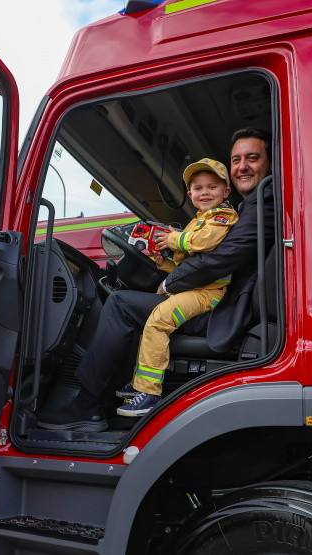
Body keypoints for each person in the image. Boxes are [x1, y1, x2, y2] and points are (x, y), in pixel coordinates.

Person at [37, 127, 275, 431]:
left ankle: (88, 403)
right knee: (124, 304)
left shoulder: (256, 203)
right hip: (216, 298)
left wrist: (171, 278)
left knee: (120, 304)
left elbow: (219, 258)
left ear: (269, 162)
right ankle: (123, 388)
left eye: (253, 158)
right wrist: (164, 265)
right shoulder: (236, 209)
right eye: (237, 159)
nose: (243, 166)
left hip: (219, 305)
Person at [114, 158, 237, 416]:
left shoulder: (222, 217)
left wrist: (172, 238)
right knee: (152, 322)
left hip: (208, 294)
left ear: (226, 192)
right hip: (196, 288)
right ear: (190, 194)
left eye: (212, 187)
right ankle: (140, 385)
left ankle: (149, 395)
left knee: (158, 320)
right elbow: (189, 267)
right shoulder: (197, 221)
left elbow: (203, 242)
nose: (205, 193)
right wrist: (165, 265)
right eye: (198, 188)